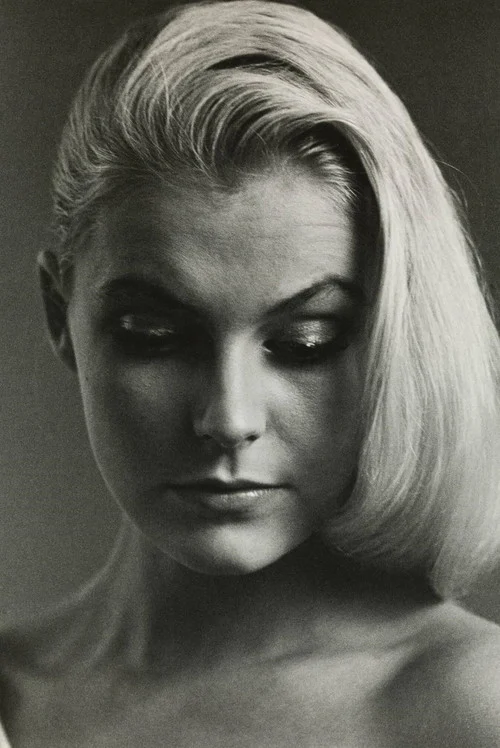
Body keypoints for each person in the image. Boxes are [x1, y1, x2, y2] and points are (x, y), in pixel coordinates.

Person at [1, 0, 500, 744]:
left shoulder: (472, 706)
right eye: (155, 336)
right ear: (58, 313)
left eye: (304, 342)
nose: (230, 418)